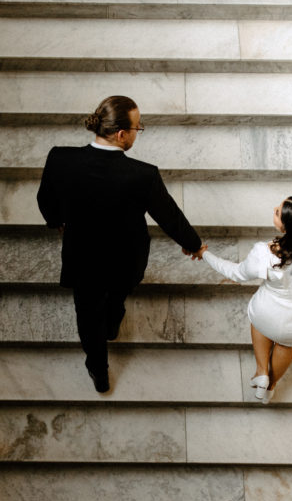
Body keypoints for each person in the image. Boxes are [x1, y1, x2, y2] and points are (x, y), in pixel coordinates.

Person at [37, 95, 203, 393]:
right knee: (116, 296)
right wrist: (193, 244)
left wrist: (57, 221)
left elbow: (45, 200)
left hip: (82, 256)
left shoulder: (60, 158)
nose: (139, 132)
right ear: (122, 134)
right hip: (126, 258)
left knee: (86, 314)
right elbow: (170, 217)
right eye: (139, 127)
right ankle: (113, 322)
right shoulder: (143, 175)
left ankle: (98, 370)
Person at [193, 196, 292, 404]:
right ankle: (271, 386)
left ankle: (261, 371)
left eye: (278, 212)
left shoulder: (265, 254)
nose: (274, 208)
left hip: (269, 313)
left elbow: (236, 273)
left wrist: (204, 254)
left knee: (260, 324)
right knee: (286, 344)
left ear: (287, 229)